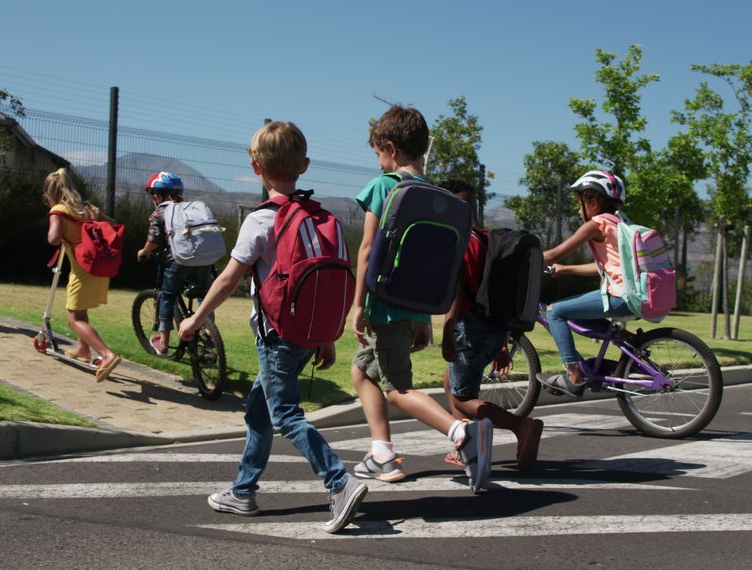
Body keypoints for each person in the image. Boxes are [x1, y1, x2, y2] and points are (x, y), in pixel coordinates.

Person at [177, 121, 366, 534]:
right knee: (259, 411)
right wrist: (325, 337)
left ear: (255, 165)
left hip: (277, 335)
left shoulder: (261, 220)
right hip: (306, 333)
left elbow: (228, 278)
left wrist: (195, 318)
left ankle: (339, 482)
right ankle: (243, 492)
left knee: (284, 414)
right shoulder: (322, 218)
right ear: (305, 165)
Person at [349, 105, 493, 491]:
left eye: (379, 153)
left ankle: (461, 432)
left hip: (385, 303)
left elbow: (367, 250)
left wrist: (358, 305)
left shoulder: (384, 187)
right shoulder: (438, 195)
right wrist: (426, 320)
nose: (379, 161)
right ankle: (381, 453)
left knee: (398, 388)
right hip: (416, 306)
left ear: (391, 148)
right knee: (362, 371)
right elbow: (433, 262)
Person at [438, 179, 544, 472]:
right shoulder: (486, 238)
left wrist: (447, 332)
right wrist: (501, 344)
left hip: (469, 326)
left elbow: (458, 294)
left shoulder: (455, 242)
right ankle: (464, 445)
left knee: (463, 397)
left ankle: (520, 426)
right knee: (451, 381)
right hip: (494, 325)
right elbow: (498, 291)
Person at [537, 170, 633, 397]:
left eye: (581, 203)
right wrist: (568, 269)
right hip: (634, 295)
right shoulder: (621, 222)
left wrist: (520, 259)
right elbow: (607, 267)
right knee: (575, 315)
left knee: (555, 311)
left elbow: (555, 253)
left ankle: (573, 376)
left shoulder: (597, 224)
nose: (579, 210)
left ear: (594, 200)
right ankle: (625, 346)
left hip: (619, 296)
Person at [43, 167, 122, 382]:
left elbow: (53, 238)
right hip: (99, 268)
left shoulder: (59, 210)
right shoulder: (88, 208)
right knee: (81, 312)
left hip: (82, 271)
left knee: (73, 319)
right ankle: (82, 348)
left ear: (49, 194)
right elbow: (113, 224)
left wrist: (58, 225)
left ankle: (107, 355)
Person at [135, 172, 214, 355]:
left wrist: (144, 252)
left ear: (159, 195)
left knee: (167, 295)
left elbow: (154, 239)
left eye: (153, 194)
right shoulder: (191, 208)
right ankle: (209, 332)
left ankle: (163, 342)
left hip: (178, 261)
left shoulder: (161, 211)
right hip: (203, 260)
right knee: (204, 296)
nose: (153, 198)